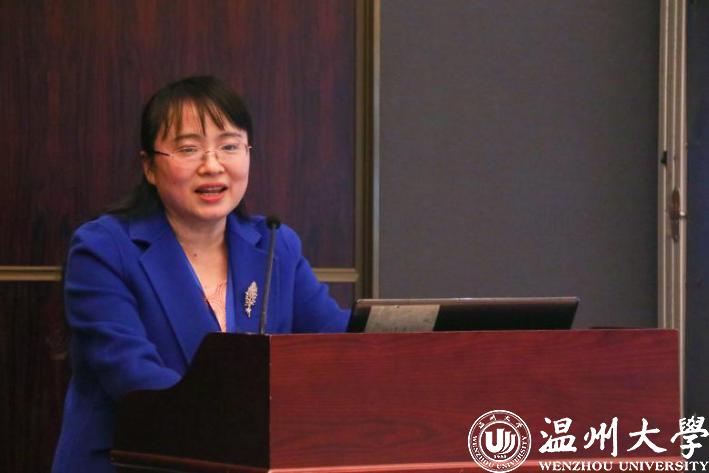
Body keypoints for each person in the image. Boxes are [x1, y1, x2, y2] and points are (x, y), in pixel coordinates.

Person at [51, 76, 350, 473]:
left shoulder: (274, 245)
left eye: (229, 146)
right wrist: (247, 430)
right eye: (189, 149)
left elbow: (337, 343)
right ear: (149, 167)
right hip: (134, 462)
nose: (212, 166)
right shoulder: (104, 248)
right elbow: (132, 375)